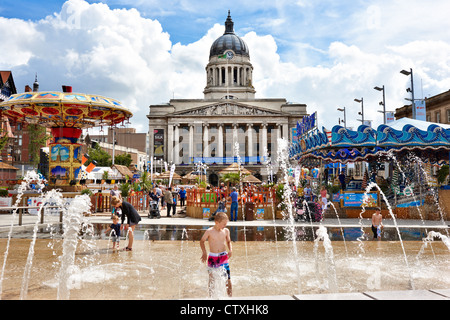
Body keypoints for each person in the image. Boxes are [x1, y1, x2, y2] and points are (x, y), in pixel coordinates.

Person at [200, 212, 233, 297]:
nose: (225, 226)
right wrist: (204, 252)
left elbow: (229, 241)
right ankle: (211, 297)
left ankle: (230, 297)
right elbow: (202, 241)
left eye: (226, 224)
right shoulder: (209, 231)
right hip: (212, 257)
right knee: (212, 279)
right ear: (217, 223)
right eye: (224, 224)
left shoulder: (226, 231)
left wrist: (231, 250)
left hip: (223, 257)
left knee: (228, 279)